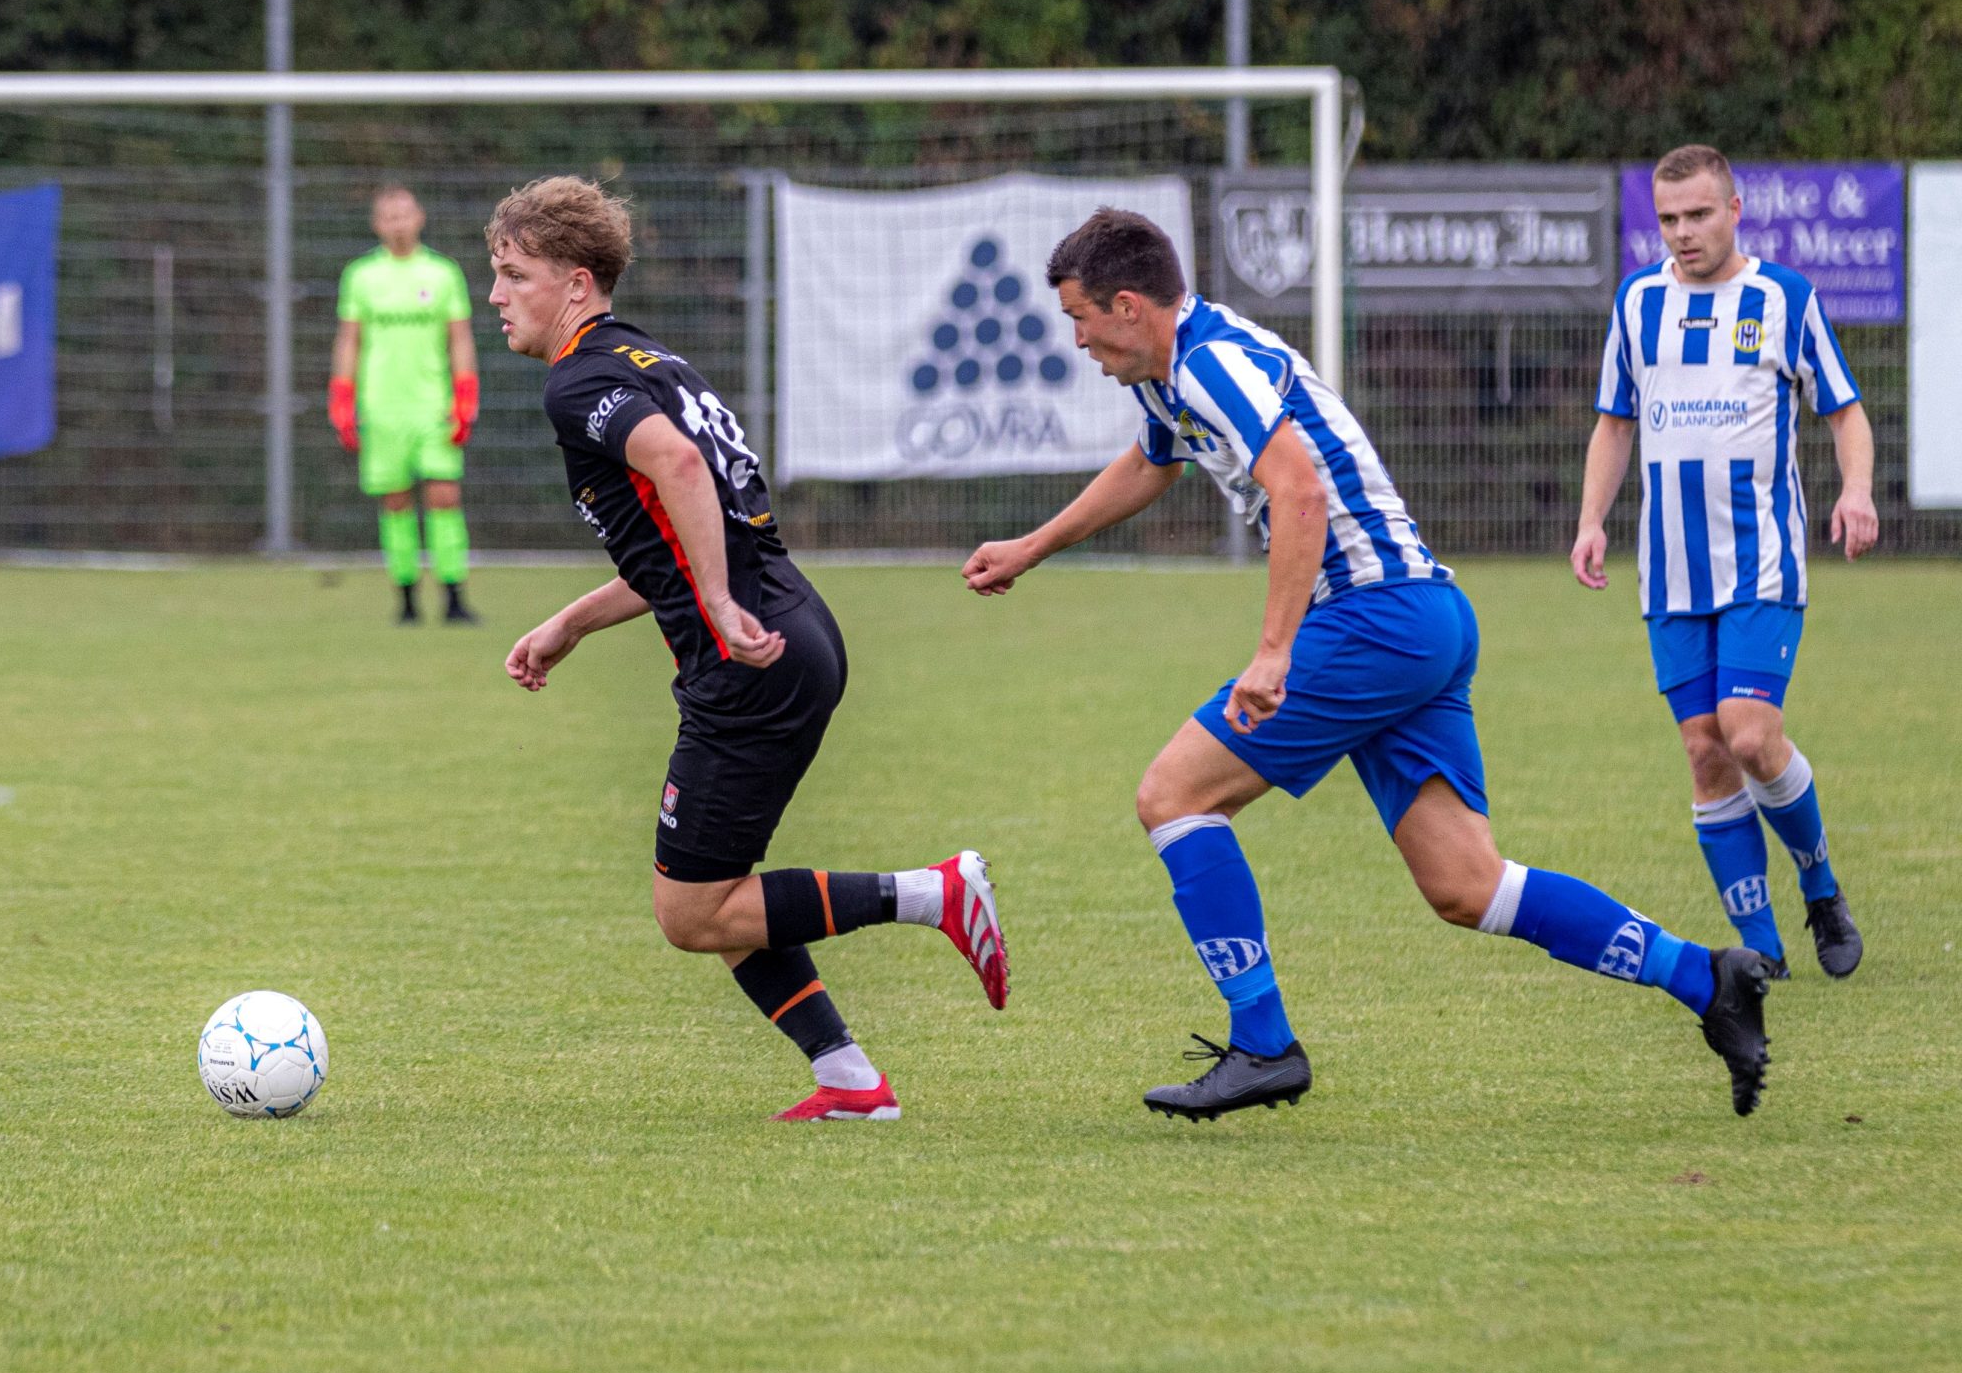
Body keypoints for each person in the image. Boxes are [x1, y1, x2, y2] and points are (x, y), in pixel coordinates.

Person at [962, 208, 1774, 1120]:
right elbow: (1154, 466)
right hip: (1423, 617)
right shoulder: (1174, 372)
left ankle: (1264, 1045)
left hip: (1372, 619)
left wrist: (1275, 653)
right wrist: (1033, 546)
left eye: (1079, 319)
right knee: (1469, 887)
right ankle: (1707, 978)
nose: (1075, 340)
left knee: (1174, 797)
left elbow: (1300, 488)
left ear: (1126, 305)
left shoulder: (1208, 364)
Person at [492, 175, 1008, 1121]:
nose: (496, 296)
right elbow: (678, 541)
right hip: (792, 632)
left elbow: (681, 472)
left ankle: (936, 895)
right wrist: (570, 624)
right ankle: (849, 1080)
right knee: (720, 887)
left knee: (691, 910)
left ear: (574, 283)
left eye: (513, 274)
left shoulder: (580, 379)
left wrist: (721, 607)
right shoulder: (654, 361)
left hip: (752, 659)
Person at [1572, 144, 1874, 979]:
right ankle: (1764, 953)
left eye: (1698, 214)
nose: (1682, 234)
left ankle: (1820, 884)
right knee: (1705, 750)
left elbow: (1845, 412)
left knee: (1748, 734)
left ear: (1735, 210)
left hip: (1760, 565)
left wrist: (1857, 491)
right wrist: (1592, 519)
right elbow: (1614, 422)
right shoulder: (1637, 303)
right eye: (1668, 219)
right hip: (1669, 573)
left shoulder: (1784, 299)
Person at [330, 184, 481, 625]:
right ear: (378, 224)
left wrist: (465, 394)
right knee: (395, 503)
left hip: (433, 405)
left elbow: (460, 338)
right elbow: (349, 340)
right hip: (381, 407)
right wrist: (342, 396)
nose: (398, 223)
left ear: (420, 217)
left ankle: (454, 597)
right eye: (389, 216)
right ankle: (407, 600)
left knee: (444, 496)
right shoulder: (360, 276)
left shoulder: (443, 273)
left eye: (405, 214)